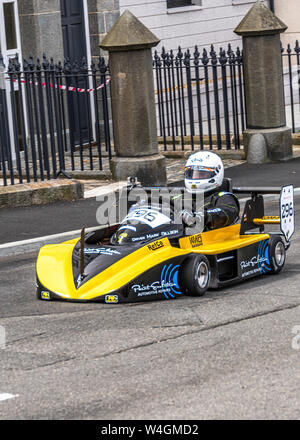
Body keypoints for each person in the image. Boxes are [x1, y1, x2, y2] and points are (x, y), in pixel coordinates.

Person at [180, 151, 240, 232]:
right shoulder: (181, 196)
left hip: (214, 239)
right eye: (192, 174)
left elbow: (227, 211)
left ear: (216, 174)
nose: (195, 178)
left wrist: (203, 216)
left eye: (201, 174)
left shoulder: (223, 197)